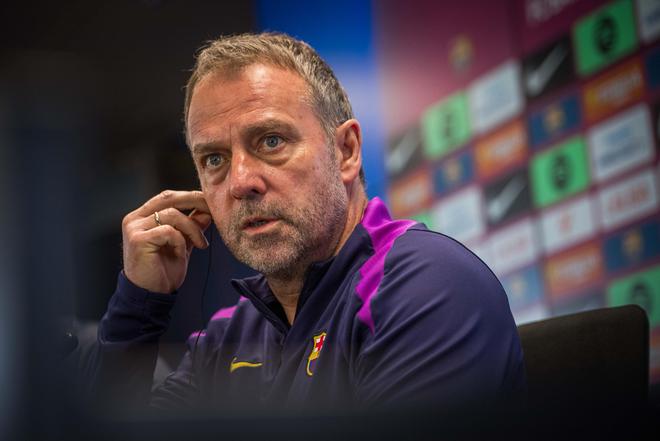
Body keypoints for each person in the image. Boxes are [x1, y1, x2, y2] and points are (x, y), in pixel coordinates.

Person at [95, 32, 526, 414]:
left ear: (346, 151)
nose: (240, 181)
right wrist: (139, 304)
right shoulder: (228, 337)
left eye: (271, 141)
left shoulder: (427, 286)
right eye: (214, 159)